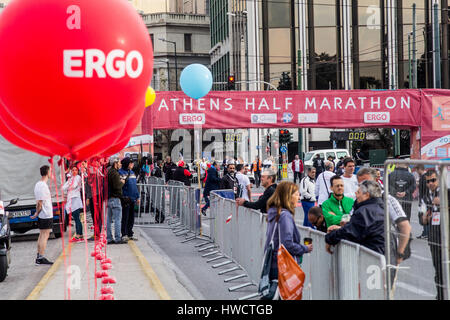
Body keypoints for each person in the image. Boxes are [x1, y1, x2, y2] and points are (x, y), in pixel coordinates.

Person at [356, 167, 412, 287]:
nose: (363, 187)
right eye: (360, 184)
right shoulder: (357, 201)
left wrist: (400, 253)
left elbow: (405, 226)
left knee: (383, 288)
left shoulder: (387, 198)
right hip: (363, 251)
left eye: (366, 182)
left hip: (385, 250)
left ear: (376, 180)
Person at [264, 181, 313, 286]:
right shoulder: (285, 216)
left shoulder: (274, 212)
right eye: (296, 194)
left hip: (273, 263)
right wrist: (305, 248)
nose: (298, 198)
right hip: (282, 265)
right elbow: (287, 244)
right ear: (288, 196)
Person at [325, 180, 385, 254]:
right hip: (386, 256)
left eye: (358, 192)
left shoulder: (364, 212)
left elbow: (349, 232)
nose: (355, 194)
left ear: (366, 195)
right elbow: (363, 229)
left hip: (372, 257)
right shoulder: (383, 209)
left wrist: (329, 238)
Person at [419, 169, 447, 300]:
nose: (431, 183)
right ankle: (441, 296)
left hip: (448, 236)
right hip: (435, 238)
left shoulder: (446, 193)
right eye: (428, 181)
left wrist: (443, 204)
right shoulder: (425, 198)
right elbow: (421, 218)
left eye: (433, 180)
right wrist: (424, 218)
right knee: (439, 270)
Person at [32, 165, 54, 265]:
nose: (51, 173)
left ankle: (38, 256)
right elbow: (39, 202)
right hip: (45, 214)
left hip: (43, 214)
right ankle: (40, 257)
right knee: (45, 235)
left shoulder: (38, 184)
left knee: (42, 235)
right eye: (50, 171)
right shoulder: (42, 186)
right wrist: (37, 213)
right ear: (47, 172)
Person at [119, 157, 140, 242]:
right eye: (131, 163)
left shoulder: (132, 172)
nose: (132, 164)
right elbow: (120, 186)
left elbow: (135, 186)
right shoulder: (120, 172)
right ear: (127, 164)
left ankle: (130, 233)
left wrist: (137, 196)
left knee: (131, 217)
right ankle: (124, 234)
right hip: (126, 198)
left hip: (133, 198)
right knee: (125, 217)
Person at [107, 158, 127, 244]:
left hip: (109, 199)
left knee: (109, 220)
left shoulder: (108, 172)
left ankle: (109, 238)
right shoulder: (114, 173)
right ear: (115, 163)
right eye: (119, 163)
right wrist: (122, 182)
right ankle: (118, 238)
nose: (120, 164)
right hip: (115, 199)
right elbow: (117, 186)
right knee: (117, 220)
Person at [63, 165, 84, 242]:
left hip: (75, 199)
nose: (74, 171)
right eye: (73, 170)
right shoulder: (71, 178)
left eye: (76, 170)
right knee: (76, 218)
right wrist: (69, 183)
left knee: (76, 218)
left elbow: (74, 186)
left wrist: (69, 185)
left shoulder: (78, 177)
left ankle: (78, 235)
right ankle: (80, 235)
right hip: (71, 199)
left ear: (78, 171)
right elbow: (63, 187)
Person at [415, 164, 429, 239]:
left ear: (419, 169)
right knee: (424, 215)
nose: (416, 172)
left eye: (417, 170)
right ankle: (425, 232)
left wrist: (422, 201)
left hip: (424, 200)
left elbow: (423, 190)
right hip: (425, 199)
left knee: (423, 216)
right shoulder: (425, 176)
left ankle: (426, 233)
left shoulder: (423, 177)